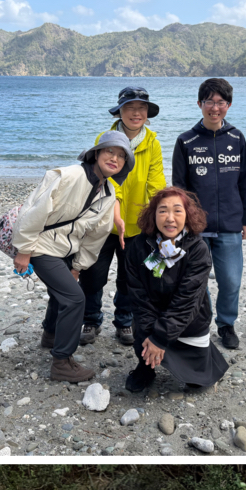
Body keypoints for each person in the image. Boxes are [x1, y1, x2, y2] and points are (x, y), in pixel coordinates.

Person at [12, 132, 130, 384]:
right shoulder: (69, 175)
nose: (115, 158)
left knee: (64, 291)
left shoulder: (108, 193)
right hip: (40, 245)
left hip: (65, 249)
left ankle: (51, 335)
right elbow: (35, 209)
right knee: (75, 299)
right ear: (96, 153)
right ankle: (62, 362)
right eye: (110, 151)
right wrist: (23, 249)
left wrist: (78, 266)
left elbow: (95, 236)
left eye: (121, 156)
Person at [121, 186, 229, 396]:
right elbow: (137, 294)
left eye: (177, 211)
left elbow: (187, 301)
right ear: (153, 215)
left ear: (188, 215)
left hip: (189, 319)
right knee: (142, 329)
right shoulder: (139, 246)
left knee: (197, 383)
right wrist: (152, 333)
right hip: (152, 315)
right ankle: (146, 368)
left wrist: (160, 338)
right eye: (162, 211)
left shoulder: (198, 249)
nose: (170, 218)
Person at [171, 78, 246, 351]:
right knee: (197, 280)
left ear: (228, 106)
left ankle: (227, 324)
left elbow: (245, 182)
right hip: (196, 226)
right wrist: (180, 224)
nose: (214, 108)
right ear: (200, 104)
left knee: (231, 280)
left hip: (230, 223)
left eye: (220, 102)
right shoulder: (186, 141)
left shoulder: (237, 137)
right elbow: (179, 188)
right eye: (209, 102)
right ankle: (200, 321)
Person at [80, 86, 166, 346]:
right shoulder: (104, 138)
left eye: (141, 108)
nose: (136, 113)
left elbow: (156, 183)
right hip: (104, 222)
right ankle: (91, 319)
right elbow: (103, 177)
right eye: (130, 108)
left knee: (130, 277)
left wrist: (157, 218)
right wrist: (115, 207)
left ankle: (125, 320)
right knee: (93, 274)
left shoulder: (152, 142)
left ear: (147, 113)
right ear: (120, 111)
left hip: (138, 225)